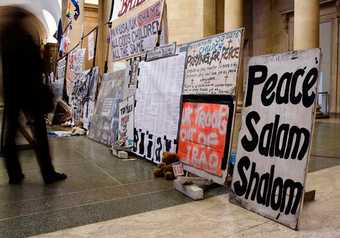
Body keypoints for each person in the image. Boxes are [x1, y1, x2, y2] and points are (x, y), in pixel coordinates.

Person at [0, 6, 67, 184]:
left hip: (12, 92)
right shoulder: (25, 37)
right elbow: (36, 67)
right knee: (39, 131)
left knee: (11, 133)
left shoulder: (6, 37)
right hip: (30, 92)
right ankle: (48, 172)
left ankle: (14, 174)